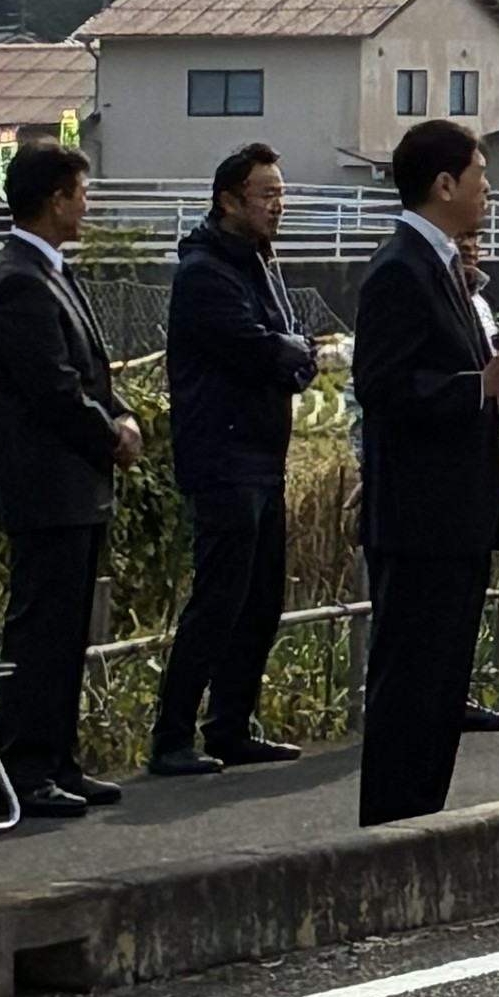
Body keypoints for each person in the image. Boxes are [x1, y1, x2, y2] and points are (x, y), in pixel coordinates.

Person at [351, 118, 499, 824]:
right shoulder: (400, 268)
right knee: (411, 679)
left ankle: (422, 821)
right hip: (420, 515)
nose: (488, 189)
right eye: (479, 175)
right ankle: (391, 826)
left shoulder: (442, 264)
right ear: (444, 184)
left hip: (454, 512)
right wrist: (476, 385)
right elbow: (382, 385)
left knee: (442, 679)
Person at [0, 139, 143, 816]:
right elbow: (52, 389)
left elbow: (90, 372)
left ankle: (58, 760)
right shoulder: (19, 280)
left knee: (68, 633)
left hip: (73, 486)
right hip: (46, 487)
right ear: (55, 200)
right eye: (81, 193)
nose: (87, 205)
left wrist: (120, 412)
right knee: (41, 633)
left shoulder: (49, 271)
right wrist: (112, 434)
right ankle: (23, 770)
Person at [149, 142, 316, 777]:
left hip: (262, 453)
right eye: (266, 194)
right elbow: (257, 348)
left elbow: (288, 346)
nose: (277, 206)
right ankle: (172, 736)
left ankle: (230, 724)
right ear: (228, 201)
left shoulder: (259, 263)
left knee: (261, 598)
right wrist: (289, 353)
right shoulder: (205, 272)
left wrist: (290, 353)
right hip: (222, 455)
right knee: (219, 599)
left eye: (281, 194)